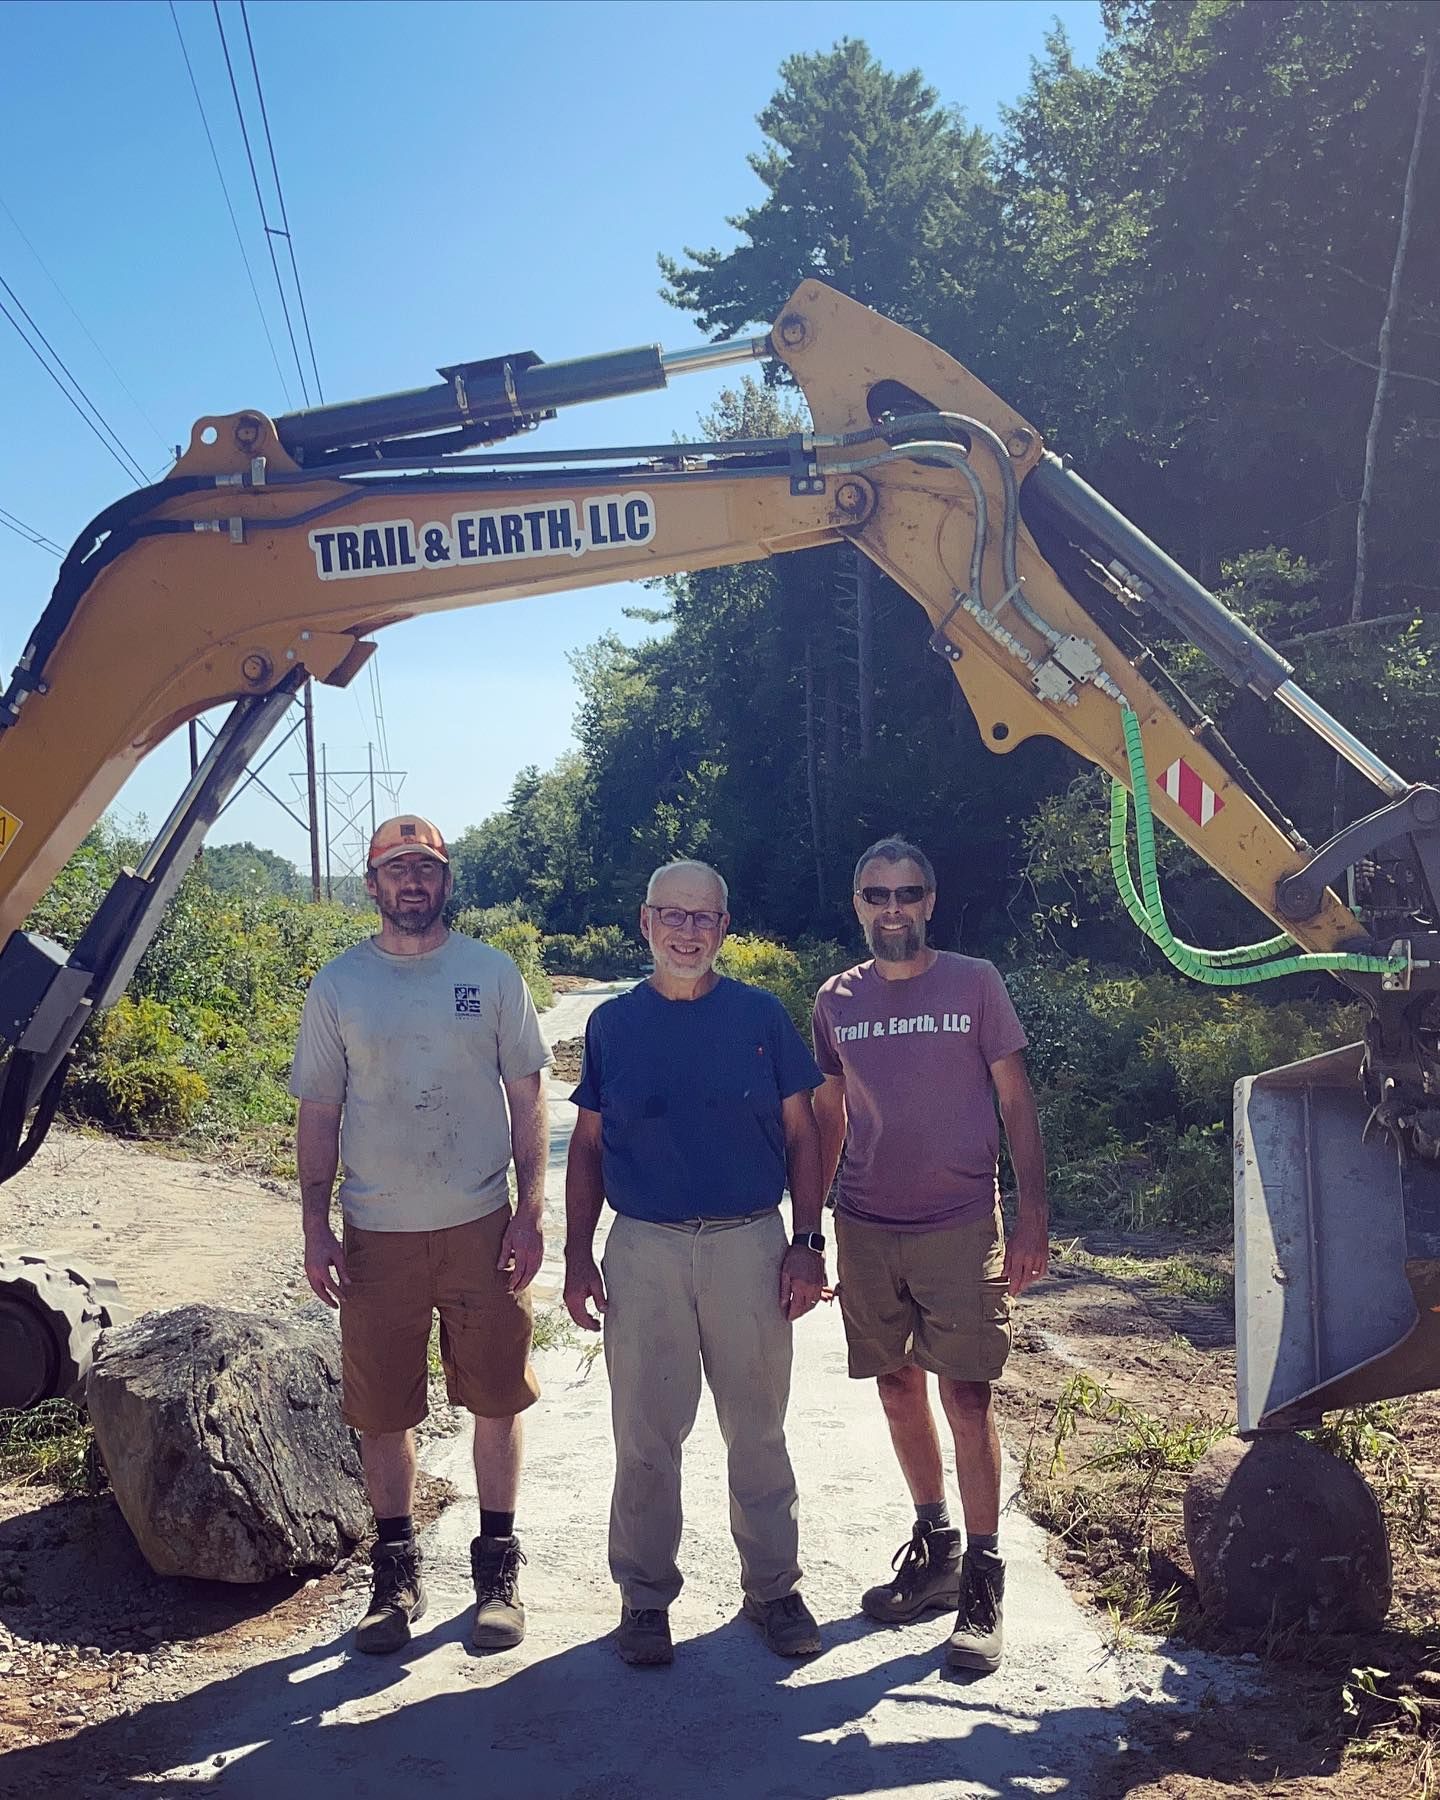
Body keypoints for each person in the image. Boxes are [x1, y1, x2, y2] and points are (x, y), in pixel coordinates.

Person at [290, 814, 550, 1656]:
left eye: (427, 870)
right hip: (376, 1233)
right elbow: (320, 1113)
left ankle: (497, 1570)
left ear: (445, 881)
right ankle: (394, 1574)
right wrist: (314, 1224)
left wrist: (532, 1206)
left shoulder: (490, 972)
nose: (412, 883)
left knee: (499, 1396)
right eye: (396, 870)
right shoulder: (339, 987)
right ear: (371, 884)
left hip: (481, 1225)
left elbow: (528, 1097)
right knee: (381, 1409)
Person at [563, 859, 828, 1668]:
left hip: (750, 1244)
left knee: (757, 1431)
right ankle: (644, 1600)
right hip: (644, 1250)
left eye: (703, 918)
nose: (687, 931)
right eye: (671, 916)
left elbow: (805, 1134)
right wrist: (578, 1256)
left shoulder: (759, 1016)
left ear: (724, 928)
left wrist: (807, 1243)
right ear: (645, 924)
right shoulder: (614, 1026)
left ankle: (774, 1589)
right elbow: (587, 1148)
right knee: (645, 1436)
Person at [811, 836, 1048, 1675]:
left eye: (907, 893)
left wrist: (1031, 1216)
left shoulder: (975, 982)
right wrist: (811, 1229)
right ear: (858, 906)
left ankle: (983, 1582)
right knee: (896, 1384)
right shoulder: (836, 999)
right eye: (876, 895)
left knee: (970, 1397)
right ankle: (936, 1546)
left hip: (960, 1223)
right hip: (868, 1224)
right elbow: (830, 1116)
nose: (893, 908)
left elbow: (1015, 1100)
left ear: (931, 901)